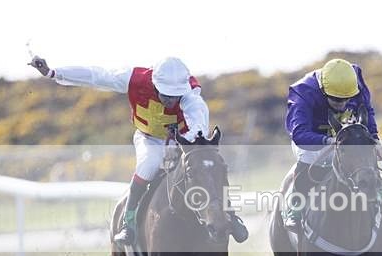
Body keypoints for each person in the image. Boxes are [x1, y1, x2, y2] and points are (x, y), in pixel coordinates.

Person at [28, 56, 248, 246]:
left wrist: (181, 145)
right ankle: (129, 224)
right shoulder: (134, 79)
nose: (171, 100)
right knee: (148, 166)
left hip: (182, 141)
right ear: (154, 83)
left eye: (175, 95)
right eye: (166, 94)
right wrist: (53, 73)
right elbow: (96, 76)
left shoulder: (191, 95)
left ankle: (231, 216)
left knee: (209, 165)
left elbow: (199, 126)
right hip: (149, 138)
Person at [284, 58, 382, 231]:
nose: (342, 105)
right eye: (336, 100)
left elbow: (368, 110)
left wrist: (374, 138)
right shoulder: (302, 93)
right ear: (323, 92)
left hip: (343, 129)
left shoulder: (355, 81)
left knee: (363, 157)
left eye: (346, 99)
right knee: (309, 159)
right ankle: (295, 210)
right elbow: (299, 135)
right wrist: (329, 141)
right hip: (312, 136)